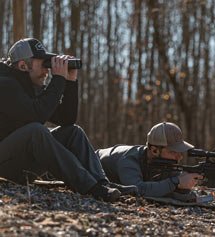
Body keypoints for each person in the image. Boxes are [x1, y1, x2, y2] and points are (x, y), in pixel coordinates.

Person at [0, 38, 137, 202]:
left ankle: (102, 183)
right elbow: (36, 115)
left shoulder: (32, 87)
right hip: (4, 165)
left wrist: (70, 82)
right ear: (23, 65)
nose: (47, 71)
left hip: (21, 163)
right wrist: (57, 79)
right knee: (36, 131)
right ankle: (90, 187)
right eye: (43, 64)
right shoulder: (5, 85)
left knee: (73, 132)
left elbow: (67, 120)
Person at [97, 122, 203, 202]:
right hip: (88, 165)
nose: (179, 157)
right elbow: (137, 190)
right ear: (154, 150)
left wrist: (183, 187)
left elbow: (167, 190)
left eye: (179, 151)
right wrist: (175, 182)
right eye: (173, 152)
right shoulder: (128, 161)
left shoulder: (163, 163)